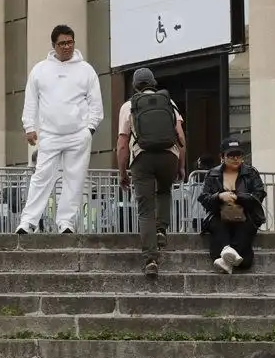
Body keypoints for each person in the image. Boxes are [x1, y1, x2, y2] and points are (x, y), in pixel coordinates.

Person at [15, 25, 102, 235]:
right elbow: (31, 101)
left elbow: (95, 103)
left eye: (70, 42)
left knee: (74, 179)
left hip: (78, 134)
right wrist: (29, 126)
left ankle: (66, 222)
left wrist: (89, 129)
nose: (67, 47)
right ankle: (28, 222)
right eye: (62, 43)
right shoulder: (40, 70)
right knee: (41, 176)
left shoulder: (86, 70)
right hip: (50, 134)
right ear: (54, 45)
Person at [116, 68, 183, 276]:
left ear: (134, 86)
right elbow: (181, 136)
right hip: (169, 156)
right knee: (164, 191)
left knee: (145, 210)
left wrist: (122, 172)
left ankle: (151, 260)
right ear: (154, 83)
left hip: (142, 158)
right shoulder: (169, 103)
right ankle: (161, 229)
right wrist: (181, 165)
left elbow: (122, 143)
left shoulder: (129, 106)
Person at [197, 138, 265, 273]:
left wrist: (238, 197)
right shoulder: (213, 174)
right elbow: (204, 198)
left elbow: (259, 195)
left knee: (245, 255)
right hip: (219, 215)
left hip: (246, 215)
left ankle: (225, 260)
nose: (236, 159)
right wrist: (219, 196)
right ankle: (229, 255)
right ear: (222, 157)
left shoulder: (251, 173)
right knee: (218, 227)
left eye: (239, 155)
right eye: (231, 155)